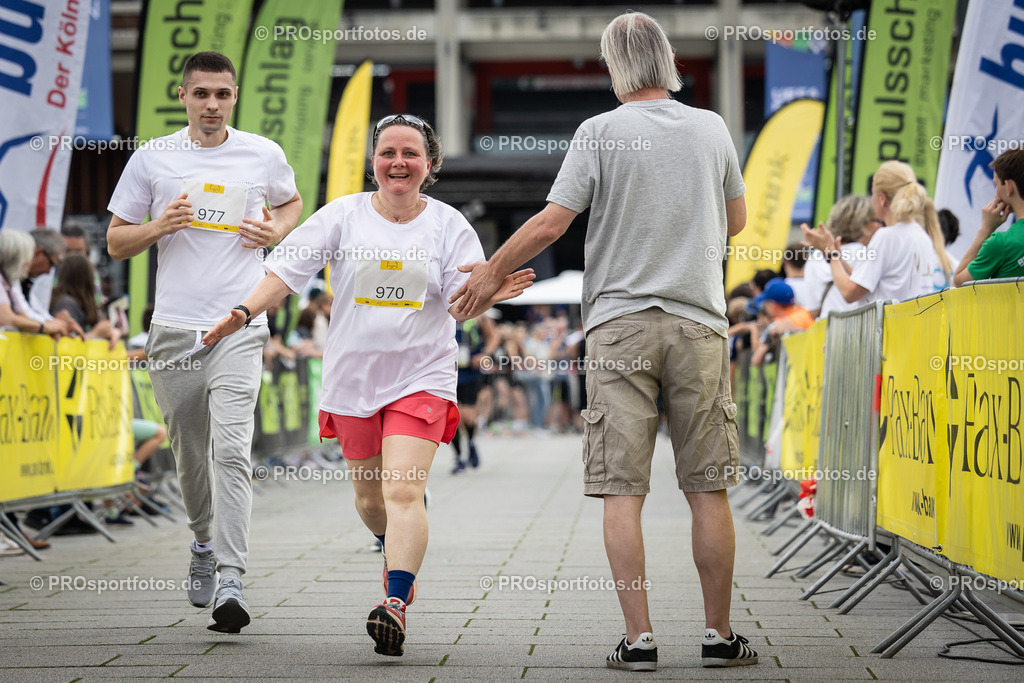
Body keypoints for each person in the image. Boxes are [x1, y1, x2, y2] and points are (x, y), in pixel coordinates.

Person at [450, 12, 757, 670]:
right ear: (668, 60)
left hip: (620, 325)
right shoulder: (711, 127)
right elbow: (737, 221)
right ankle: (719, 635)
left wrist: (492, 272)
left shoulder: (599, 131)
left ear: (616, 66)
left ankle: (639, 640)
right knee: (708, 487)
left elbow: (551, 223)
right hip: (699, 323)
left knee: (623, 490)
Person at [201, 113, 534, 657]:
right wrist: (242, 312)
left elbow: (460, 304)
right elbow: (284, 273)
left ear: (430, 164)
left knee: (403, 491)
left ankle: (394, 602)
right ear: (374, 162)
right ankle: (391, 545)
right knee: (370, 499)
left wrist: (486, 295)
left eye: (410, 153)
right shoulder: (343, 216)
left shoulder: (449, 225)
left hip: (421, 376)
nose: (398, 162)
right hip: (352, 380)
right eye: (388, 153)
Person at [106, 51, 303, 633]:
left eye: (222, 94)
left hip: (240, 325)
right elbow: (116, 241)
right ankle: (202, 542)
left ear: (234, 96)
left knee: (233, 450)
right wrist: (159, 226)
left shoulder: (262, 153)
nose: (212, 105)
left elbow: (291, 203)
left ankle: (232, 577)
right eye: (201, 94)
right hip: (174, 330)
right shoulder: (153, 158)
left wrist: (275, 228)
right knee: (190, 453)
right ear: (183, 96)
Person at [802, 160, 952, 304]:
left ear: (881, 198)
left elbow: (849, 293)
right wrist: (837, 257)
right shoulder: (921, 236)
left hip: (889, 322)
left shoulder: (886, 236)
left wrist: (831, 254)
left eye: (872, 194)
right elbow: (865, 281)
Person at [953, 149, 1024, 285]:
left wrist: (986, 229)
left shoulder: (1001, 243)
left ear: (1009, 187)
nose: (996, 194)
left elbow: (959, 283)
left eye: (996, 185)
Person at [801, 195, 878, 318]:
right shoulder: (867, 253)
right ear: (864, 223)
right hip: (862, 324)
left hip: (826, 324)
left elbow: (813, 311)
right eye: (876, 221)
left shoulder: (816, 256)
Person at [0, 230, 72, 337]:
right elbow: (6, 318)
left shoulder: (10, 282)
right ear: (14, 259)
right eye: (27, 258)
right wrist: (45, 326)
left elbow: (25, 313)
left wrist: (54, 324)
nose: (29, 263)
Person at [452, 314, 498, 473]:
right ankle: (459, 457)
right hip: (448, 371)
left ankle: (471, 442)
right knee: (453, 417)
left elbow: (493, 336)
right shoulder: (442, 310)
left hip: (470, 372)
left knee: (468, 416)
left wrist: (484, 354)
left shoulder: (479, 315)